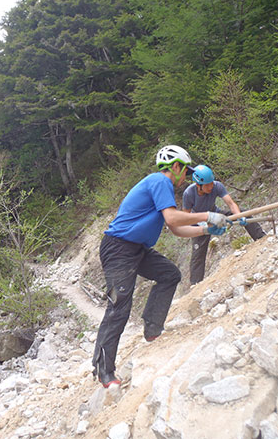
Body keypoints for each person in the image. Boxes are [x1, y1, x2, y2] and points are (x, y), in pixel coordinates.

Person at [92, 145, 230, 388]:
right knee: (119, 306)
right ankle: (104, 370)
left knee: (169, 274)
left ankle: (153, 328)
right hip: (118, 249)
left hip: (136, 249)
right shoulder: (159, 181)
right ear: (175, 166)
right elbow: (173, 218)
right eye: (184, 172)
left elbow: (176, 229)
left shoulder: (162, 189)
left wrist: (206, 230)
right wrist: (206, 215)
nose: (185, 178)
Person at [182, 164, 265, 285]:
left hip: (215, 213)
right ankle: (195, 284)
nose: (211, 186)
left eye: (212, 183)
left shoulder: (217, 186)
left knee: (243, 212)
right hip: (198, 222)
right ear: (198, 185)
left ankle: (261, 237)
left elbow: (231, 204)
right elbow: (186, 218)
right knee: (198, 254)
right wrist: (205, 226)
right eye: (207, 184)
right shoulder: (189, 193)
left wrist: (239, 216)